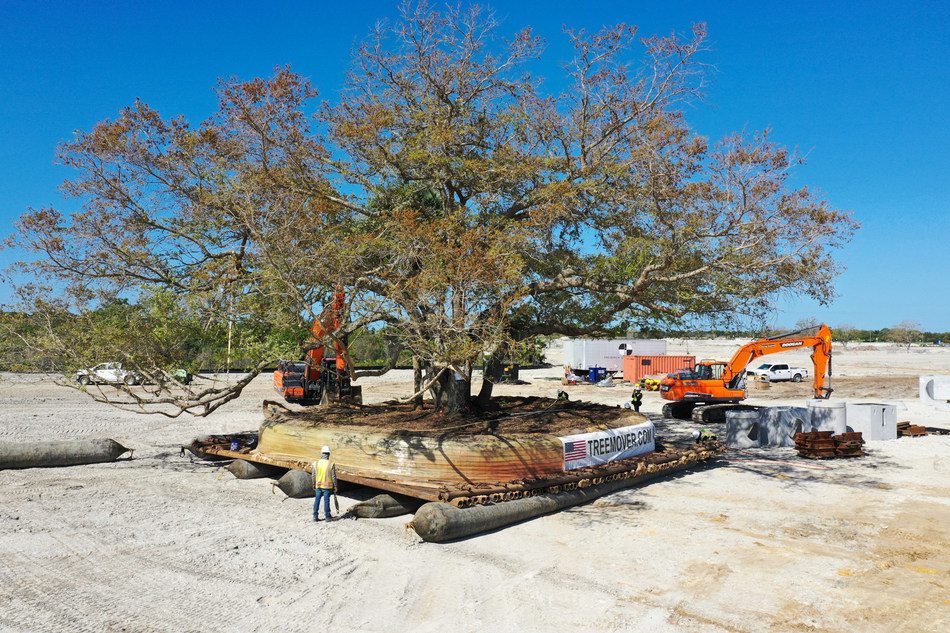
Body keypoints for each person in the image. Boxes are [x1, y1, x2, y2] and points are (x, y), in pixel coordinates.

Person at [312, 446, 337, 522]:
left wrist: (313, 484)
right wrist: (335, 485)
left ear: (321, 453)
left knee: (317, 500)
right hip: (327, 487)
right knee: (326, 501)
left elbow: (313, 475)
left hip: (318, 486)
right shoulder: (331, 464)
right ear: (329, 454)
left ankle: (315, 516)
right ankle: (327, 517)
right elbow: (333, 476)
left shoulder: (315, 463)